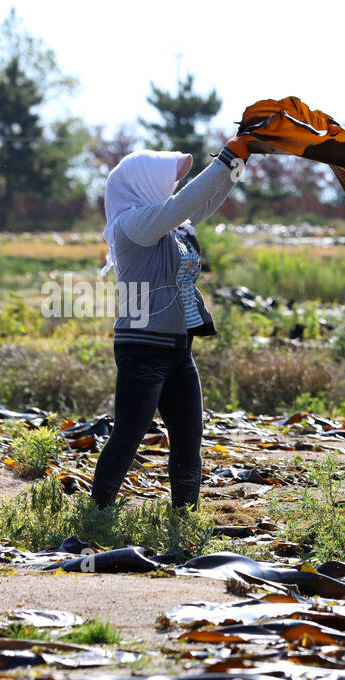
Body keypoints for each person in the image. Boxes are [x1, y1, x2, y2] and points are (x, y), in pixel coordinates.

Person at [90, 136, 252, 511]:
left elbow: (203, 201)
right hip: (141, 348)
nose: (172, 189)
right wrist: (226, 156)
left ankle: (184, 519)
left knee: (188, 440)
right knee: (128, 437)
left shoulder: (169, 227)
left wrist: (237, 164)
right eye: (165, 182)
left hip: (179, 348)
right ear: (140, 183)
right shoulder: (131, 225)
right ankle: (96, 516)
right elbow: (183, 204)